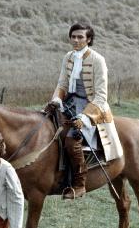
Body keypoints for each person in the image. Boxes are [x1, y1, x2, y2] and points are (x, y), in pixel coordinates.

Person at [45, 23, 117, 200]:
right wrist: (56, 100)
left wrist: (85, 118)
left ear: (89, 39)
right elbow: (62, 84)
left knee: (71, 140)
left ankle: (79, 184)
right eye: (73, 37)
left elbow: (101, 96)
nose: (76, 40)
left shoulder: (98, 60)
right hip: (69, 101)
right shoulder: (68, 57)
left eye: (80, 37)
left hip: (91, 106)